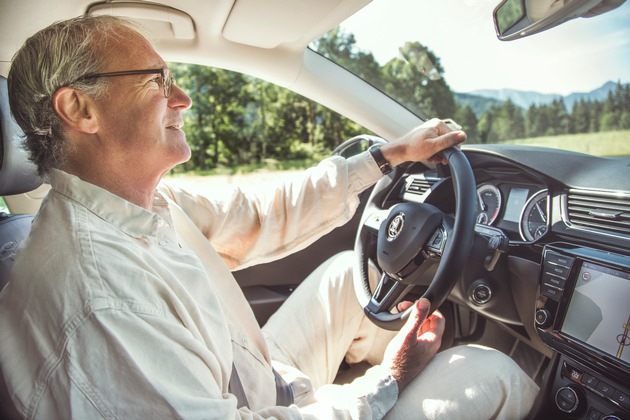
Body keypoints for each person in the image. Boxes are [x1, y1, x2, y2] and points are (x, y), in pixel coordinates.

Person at [0, 15, 539, 419]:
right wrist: (389, 380)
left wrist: (388, 156)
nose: (182, 98)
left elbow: (261, 213)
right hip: (251, 404)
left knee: (346, 282)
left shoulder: (137, 205)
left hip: (256, 376)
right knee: (489, 374)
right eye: (157, 81)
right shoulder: (100, 298)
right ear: (80, 109)